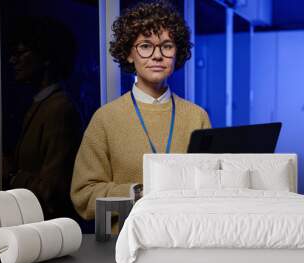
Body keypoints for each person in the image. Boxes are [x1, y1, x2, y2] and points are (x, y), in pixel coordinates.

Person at [70, 1, 211, 222]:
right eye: (145, 46)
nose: (157, 55)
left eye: (166, 46)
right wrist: (138, 193)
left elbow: (211, 188)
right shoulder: (105, 119)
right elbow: (84, 197)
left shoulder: (197, 116)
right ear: (128, 54)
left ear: (177, 53)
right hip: (125, 246)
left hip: (186, 240)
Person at [4, 17, 82, 220]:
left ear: (46, 57)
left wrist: (12, 176)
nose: (13, 60)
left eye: (21, 53)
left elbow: (52, 193)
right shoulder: (40, 105)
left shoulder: (59, 110)